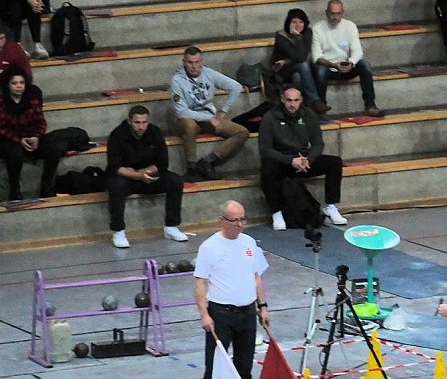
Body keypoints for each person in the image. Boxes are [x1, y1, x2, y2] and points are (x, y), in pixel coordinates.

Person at [194, 199, 269, 379]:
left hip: (246, 313)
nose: (239, 225)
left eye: (242, 219)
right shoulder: (209, 247)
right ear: (222, 220)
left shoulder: (249, 244)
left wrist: (263, 306)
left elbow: (256, 276)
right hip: (220, 314)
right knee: (216, 366)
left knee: (244, 366)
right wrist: (204, 314)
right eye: (234, 220)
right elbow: (200, 282)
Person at [258, 84, 348, 230]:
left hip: (304, 160)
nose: (292, 104)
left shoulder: (308, 115)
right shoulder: (270, 118)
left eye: (296, 100)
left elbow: (318, 143)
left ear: (301, 100)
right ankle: (276, 212)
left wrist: (309, 159)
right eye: (289, 100)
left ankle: (331, 206)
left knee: (334, 162)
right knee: (267, 167)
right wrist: (290, 160)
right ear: (282, 99)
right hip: (282, 161)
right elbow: (265, 149)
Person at [105, 105, 189, 248]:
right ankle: (118, 231)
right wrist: (137, 175)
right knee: (116, 186)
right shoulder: (117, 135)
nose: (141, 126)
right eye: (137, 122)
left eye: (145, 122)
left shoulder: (155, 132)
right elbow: (115, 167)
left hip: (149, 176)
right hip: (127, 179)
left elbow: (162, 163)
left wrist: (145, 173)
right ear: (129, 121)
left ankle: (171, 227)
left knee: (175, 181)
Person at [170, 46, 250, 182]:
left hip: (209, 117)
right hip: (187, 119)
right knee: (190, 125)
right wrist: (210, 118)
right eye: (190, 62)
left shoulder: (208, 73)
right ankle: (191, 168)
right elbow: (182, 111)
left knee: (242, 132)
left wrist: (223, 111)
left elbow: (236, 87)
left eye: (197, 62)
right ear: (184, 62)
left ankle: (208, 161)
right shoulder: (177, 80)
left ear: (202, 61)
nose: (194, 66)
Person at [0, 64, 61, 200]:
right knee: (15, 154)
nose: (19, 86)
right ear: (7, 85)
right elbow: (1, 128)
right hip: (9, 141)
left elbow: (41, 122)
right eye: (14, 83)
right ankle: (15, 189)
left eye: (21, 82)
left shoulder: (32, 99)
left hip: (31, 137)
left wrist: (37, 137)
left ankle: (46, 187)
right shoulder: (0, 102)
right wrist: (19, 140)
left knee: (54, 149)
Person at [311, 0, 384, 117]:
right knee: (319, 70)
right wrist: (333, 65)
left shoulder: (350, 26)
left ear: (343, 13)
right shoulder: (317, 28)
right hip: (328, 67)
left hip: (346, 65)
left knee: (365, 65)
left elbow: (358, 51)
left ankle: (370, 105)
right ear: (326, 13)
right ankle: (321, 108)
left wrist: (351, 63)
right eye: (332, 13)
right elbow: (317, 57)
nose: (335, 17)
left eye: (338, 13)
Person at [271, 8, 330, 116]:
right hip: (282, 70)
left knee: (298, 76)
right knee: (302, 65)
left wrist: (286, 60)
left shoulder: (308, 33)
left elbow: (302, 56)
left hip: (300, 69)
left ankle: (304, 109)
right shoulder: (281, 36)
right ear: (288, 23)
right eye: (294, 22)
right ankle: (315, 101)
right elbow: (300, 57)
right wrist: (297, 37)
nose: (298, 25)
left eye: (301, 22)